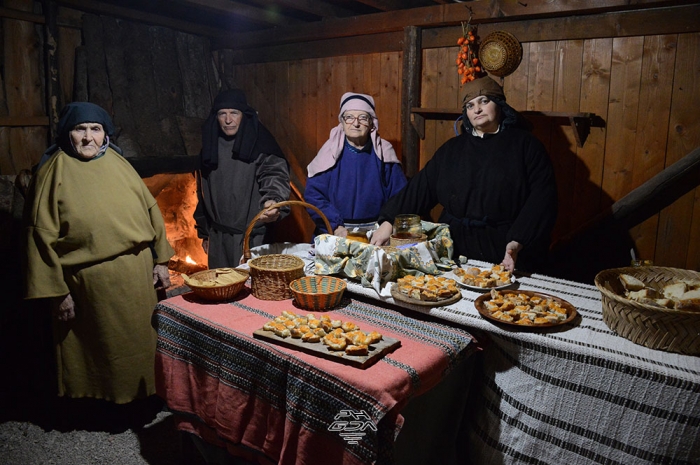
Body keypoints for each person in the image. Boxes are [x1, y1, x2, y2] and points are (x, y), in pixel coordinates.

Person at [22, 102, 174, 410]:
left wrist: (160, 260)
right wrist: (57, 293)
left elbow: (151, 211)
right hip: (89, 285)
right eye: (80, 129)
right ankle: (102, 410)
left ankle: (145, 400)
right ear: (67, 134)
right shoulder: (54, 172)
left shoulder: (119, 163)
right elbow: (39, 238)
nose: (88, 137)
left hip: (136, 278)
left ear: (105, 134)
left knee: (141, 344)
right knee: (102, 351)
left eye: (95, 129)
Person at [370, 76, 558, 272]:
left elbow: (542, 199)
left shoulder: (526, 146)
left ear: (500, 105)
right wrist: (389, 221)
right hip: (454, 247)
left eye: (484, 101)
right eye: (470, 105)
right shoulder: (452, 150)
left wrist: (517, 241)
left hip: (505, 248)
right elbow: (419, 189)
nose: (477, 110)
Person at [194, 89, 290, 266]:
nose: (228, 120)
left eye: (234, 113)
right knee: (221, 287)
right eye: (222, 113)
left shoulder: (260, 142)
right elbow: (202, 192)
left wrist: (273, 200)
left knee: (252, 288)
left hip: (252, 240)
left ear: (244, 115)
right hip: (218, 240)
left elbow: (274, 173)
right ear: (216, 117)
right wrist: (205, 233)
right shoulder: (210, 144)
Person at [304, 92, 407, 238]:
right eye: (349, 117)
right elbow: (313, 195)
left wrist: (387, 225)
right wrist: (335, 225)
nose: (356, 123)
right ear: (342, 121)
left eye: (363, 118)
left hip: (377, 235)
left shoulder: (384, 153)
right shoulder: (328, 153)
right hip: (336, 234)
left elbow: (400, 195)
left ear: (372, 122)